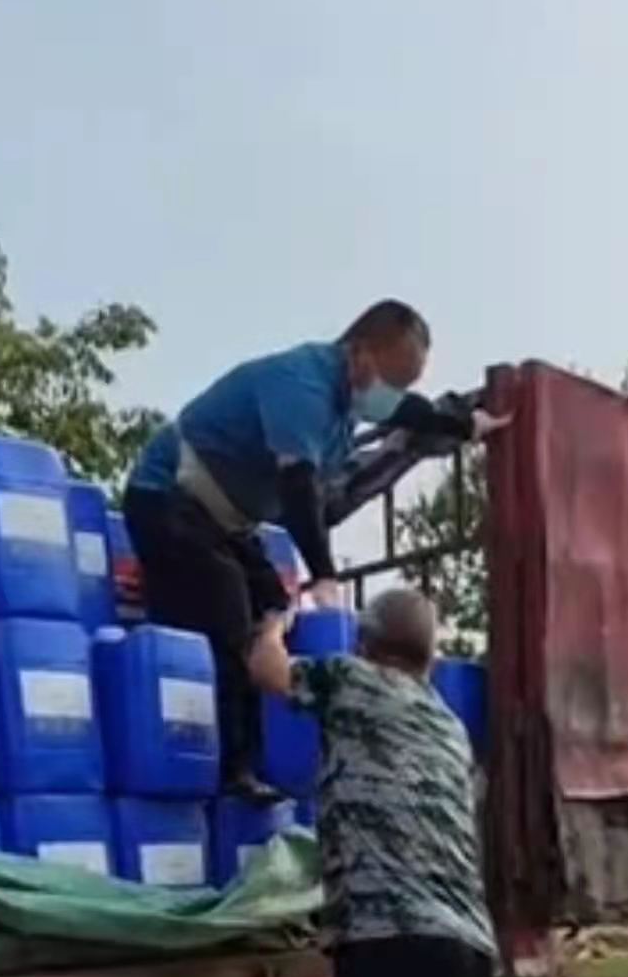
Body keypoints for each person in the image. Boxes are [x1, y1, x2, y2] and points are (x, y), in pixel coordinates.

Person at [123, 301, 496, 801]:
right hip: (166, 497)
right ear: (360, 353)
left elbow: (410, 411)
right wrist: (324, 574)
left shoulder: (348, 403)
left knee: (275, 604)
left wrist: (467, 426)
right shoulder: (301, 385)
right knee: (230, 604)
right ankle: (234, 772)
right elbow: (298, 488)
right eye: (393, 379)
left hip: (223, 519)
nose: (395, 395)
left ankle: (256, 752)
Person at [248, 585, 497, 977]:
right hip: (470, 954)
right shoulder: (448, 723)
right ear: (430, 660)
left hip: (392, 947)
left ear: (364, 645)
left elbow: (267, 671)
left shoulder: (352, 682)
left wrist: (273, 625)